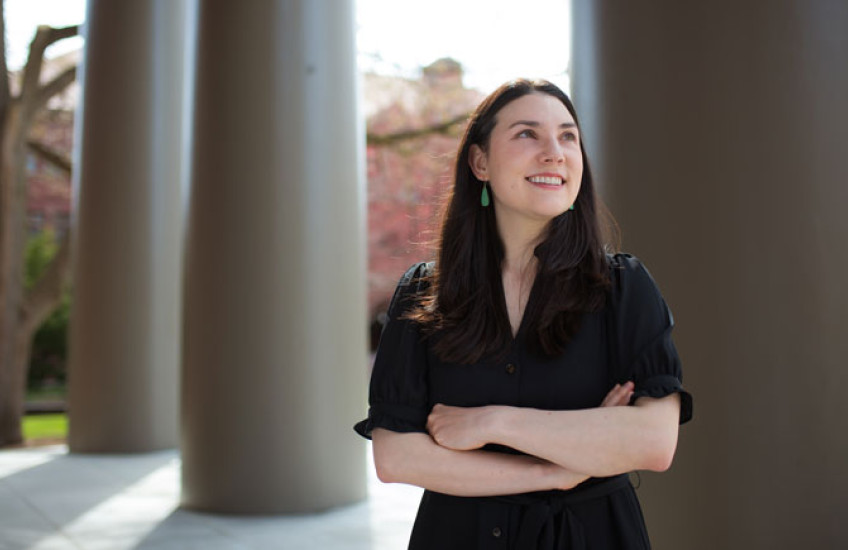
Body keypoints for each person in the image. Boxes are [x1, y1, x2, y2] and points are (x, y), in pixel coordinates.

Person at [354, 79, 693, 549]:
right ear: (480, 162)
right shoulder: (423, 293)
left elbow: (653, 443)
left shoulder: (623, 288)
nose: (555, 152)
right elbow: (398, 458)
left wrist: (494, 422)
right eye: (527, 134)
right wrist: (556, 470)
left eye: (568, 136)